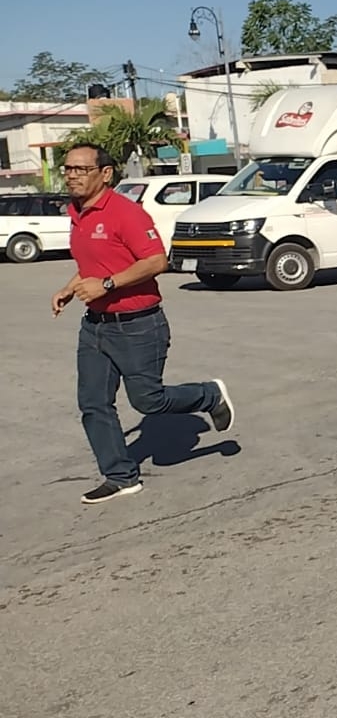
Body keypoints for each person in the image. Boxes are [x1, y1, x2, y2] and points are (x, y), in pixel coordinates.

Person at [52, 143, 236, 504]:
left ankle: (209, 394)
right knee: (93, 402)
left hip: (138, 324)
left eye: (80, 169)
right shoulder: (77, 213)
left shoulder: (126, 213)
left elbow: (156, 261)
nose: (72, 175)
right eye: (68, 168)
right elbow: (97, 264)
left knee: (148, 402)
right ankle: (121, 476)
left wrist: (105, 285)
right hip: (95, 326)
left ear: (105, 174)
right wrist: (70, 288)